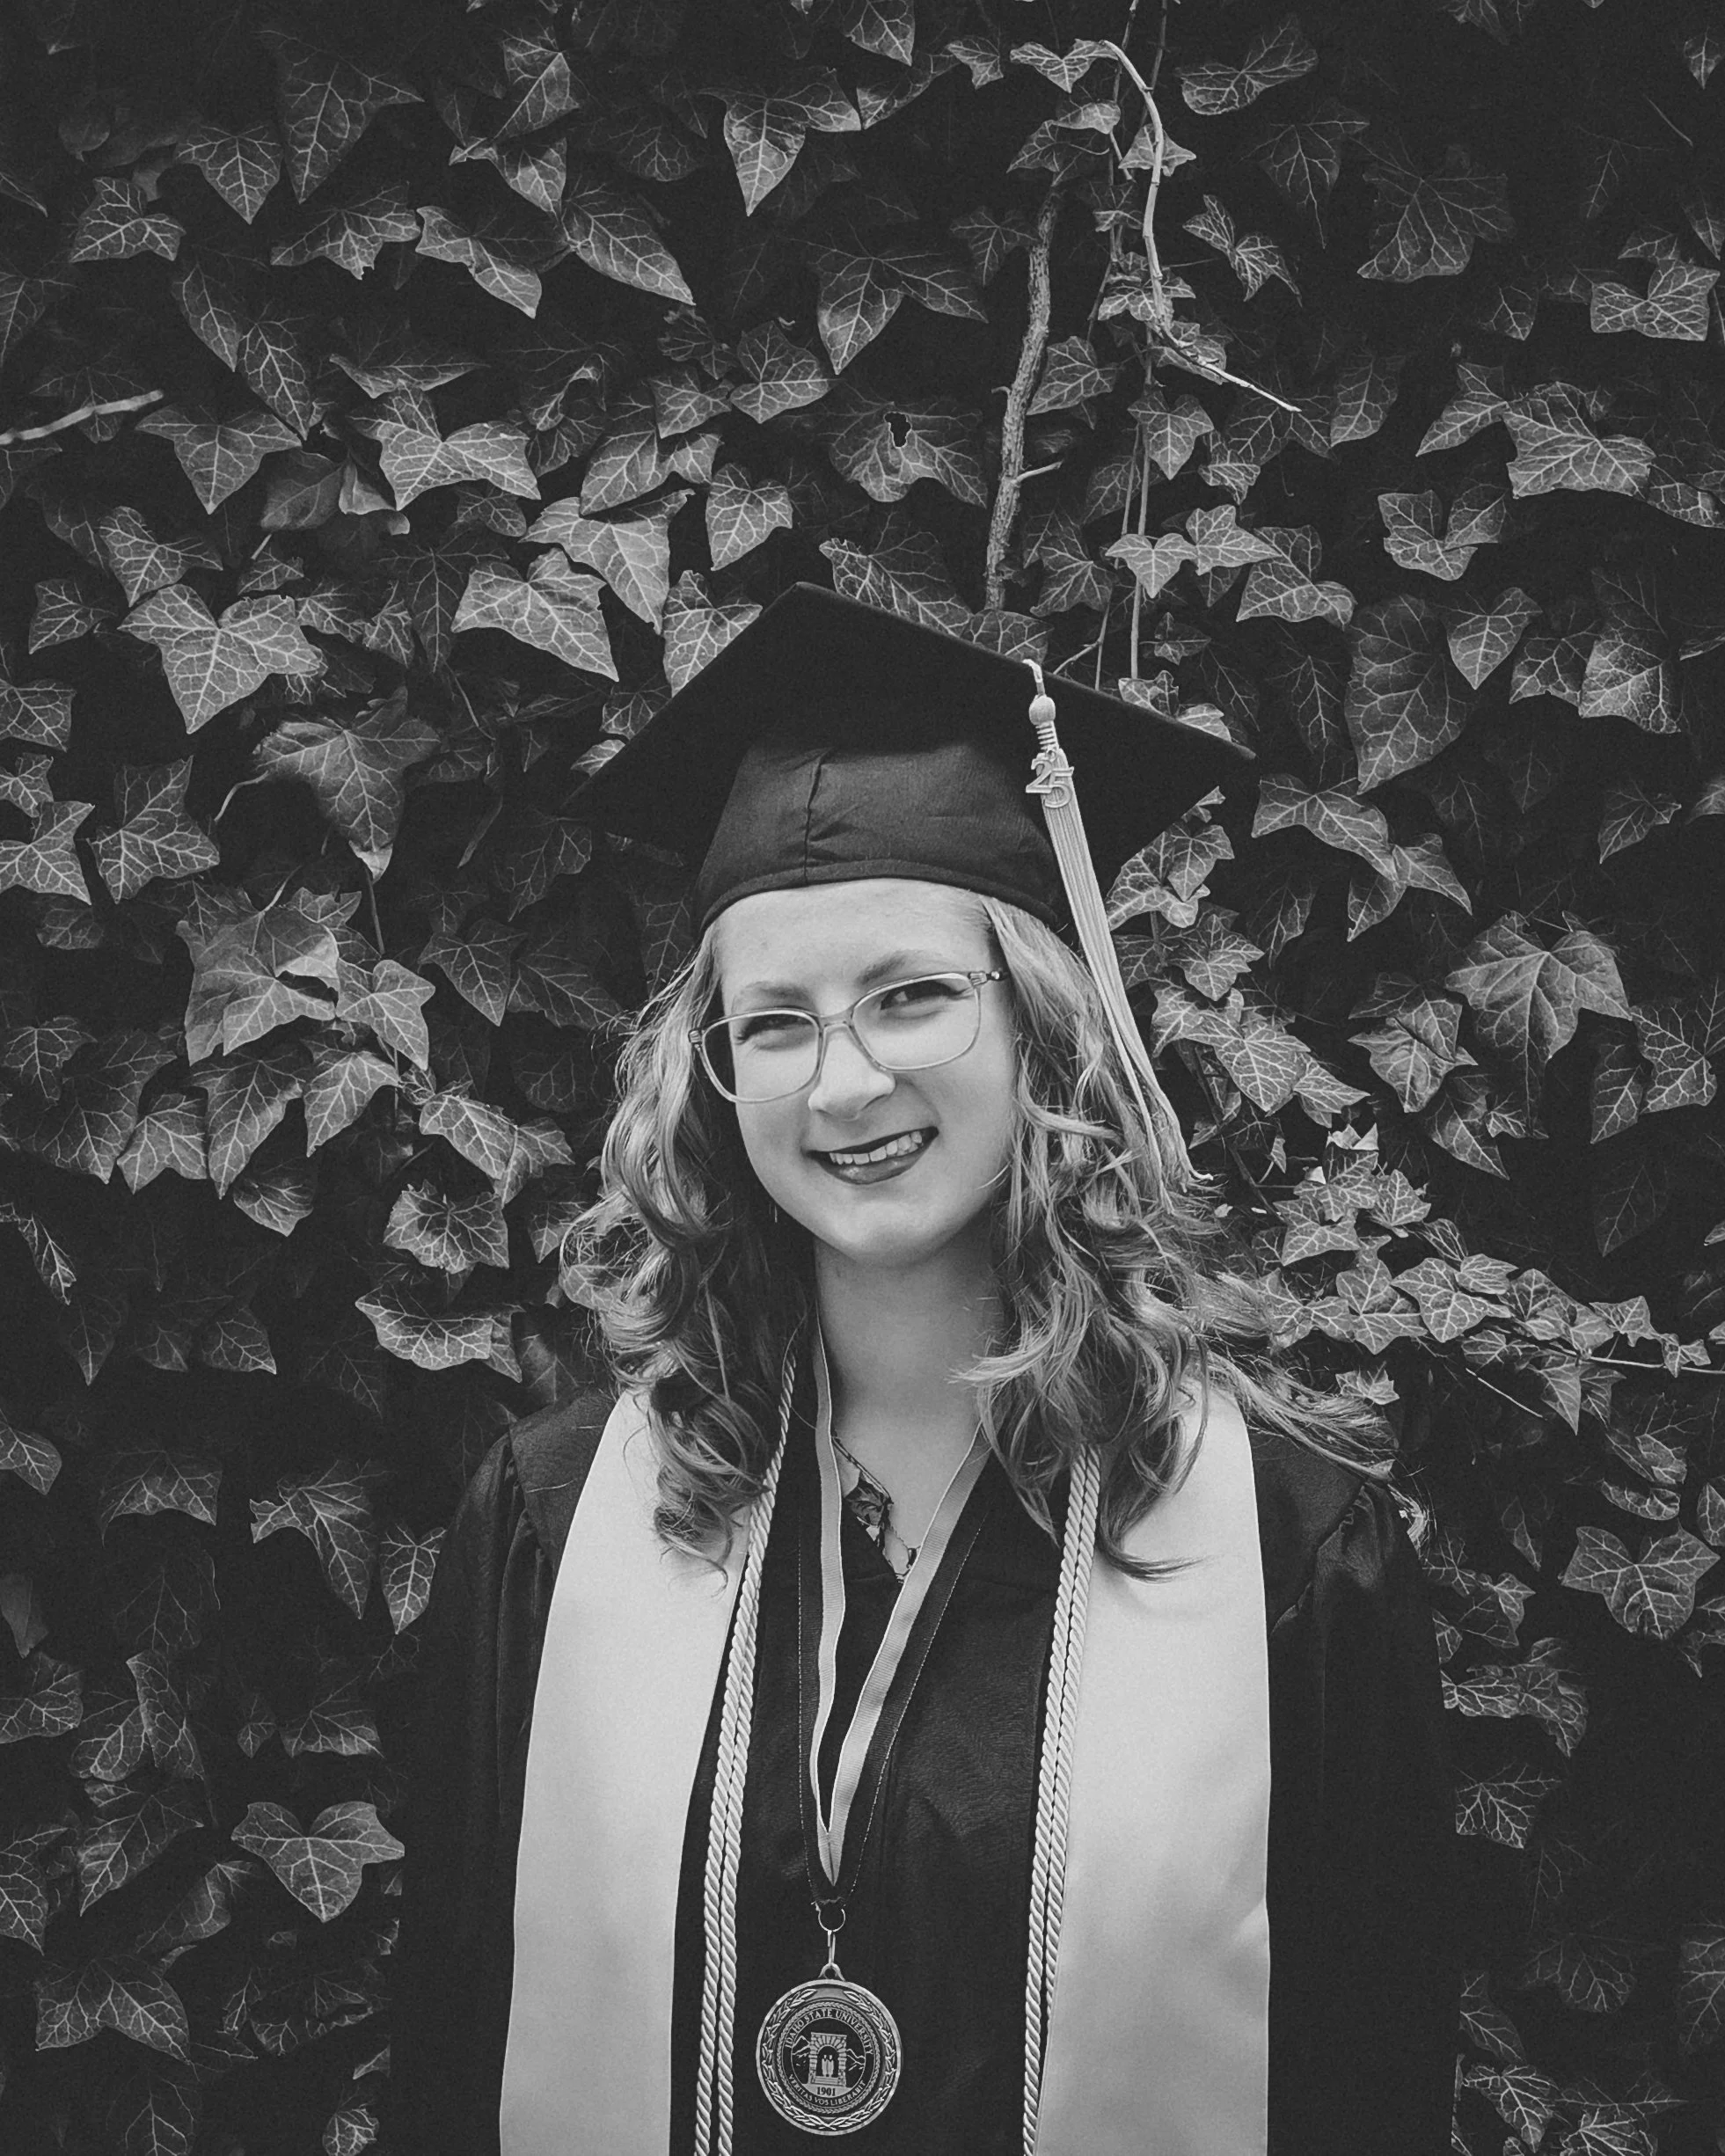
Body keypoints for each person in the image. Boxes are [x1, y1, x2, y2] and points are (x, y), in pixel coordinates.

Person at [389, 586, 1459, 2156]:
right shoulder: (558, 1524)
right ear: (718, 1078)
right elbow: (455, 2051)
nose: (844, 1081)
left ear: (1042, 1028)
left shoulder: (1286, 1559)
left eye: (911, 994)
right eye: (776, 1023)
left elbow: (1365, 2082)